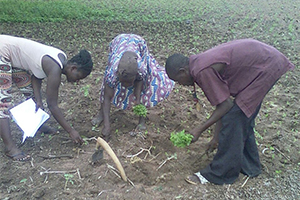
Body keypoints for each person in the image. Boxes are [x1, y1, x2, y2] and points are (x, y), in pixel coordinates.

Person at [165, 39, 294, 185]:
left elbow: (225, 105)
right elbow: (223, 102)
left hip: (266, 65)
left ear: (183, 71)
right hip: (267, 61)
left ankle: (220, 173)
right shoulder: (197, 64)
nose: (180, 84)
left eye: (177, 80)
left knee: (236, 117)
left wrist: (199, 130)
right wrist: (215, 138)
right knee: (242, 116)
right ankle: (250, 167)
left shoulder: (201, 70)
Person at [0, 35, 93, 161]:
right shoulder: (55, 69)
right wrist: (70, 131)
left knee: (30, 94)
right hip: (3, 52)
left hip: (12, 57)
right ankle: (9, 147)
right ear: (73, 68)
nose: (77, 81)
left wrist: (38, 99)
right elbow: (52, 105)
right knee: (3, 101)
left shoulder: (61, 58)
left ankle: (37, 125)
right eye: (78, 77)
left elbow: (36, 75)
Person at [92, 34, 174, 141]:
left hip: (139, 44)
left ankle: (141, 120)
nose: (126, 86)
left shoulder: (141, 69)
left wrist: (138, 99)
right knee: (105, 91)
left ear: (136, 75)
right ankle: (101, 114)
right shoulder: (112, 72)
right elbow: (107, 97)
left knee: (144, 89)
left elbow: (140, 86)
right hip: (119, 42)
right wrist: (107, 126)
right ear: (118, 75)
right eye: (123, 82)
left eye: (129, 82)